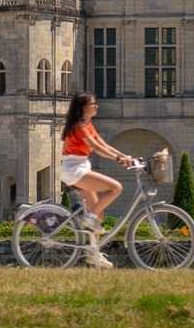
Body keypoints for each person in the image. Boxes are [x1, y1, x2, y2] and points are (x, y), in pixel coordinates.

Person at [59, 92, 138, 269]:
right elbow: (95, 147)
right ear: (83, 107)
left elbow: (104, 145)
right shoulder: (80, 126)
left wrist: (126, 157)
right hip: (74, 169)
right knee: (115, 188)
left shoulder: (87, 125)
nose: (96, 106)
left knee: (99, 212)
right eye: (93, 104)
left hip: (81, 167)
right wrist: (118, 159)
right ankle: (90, 219)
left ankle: (93, 252)